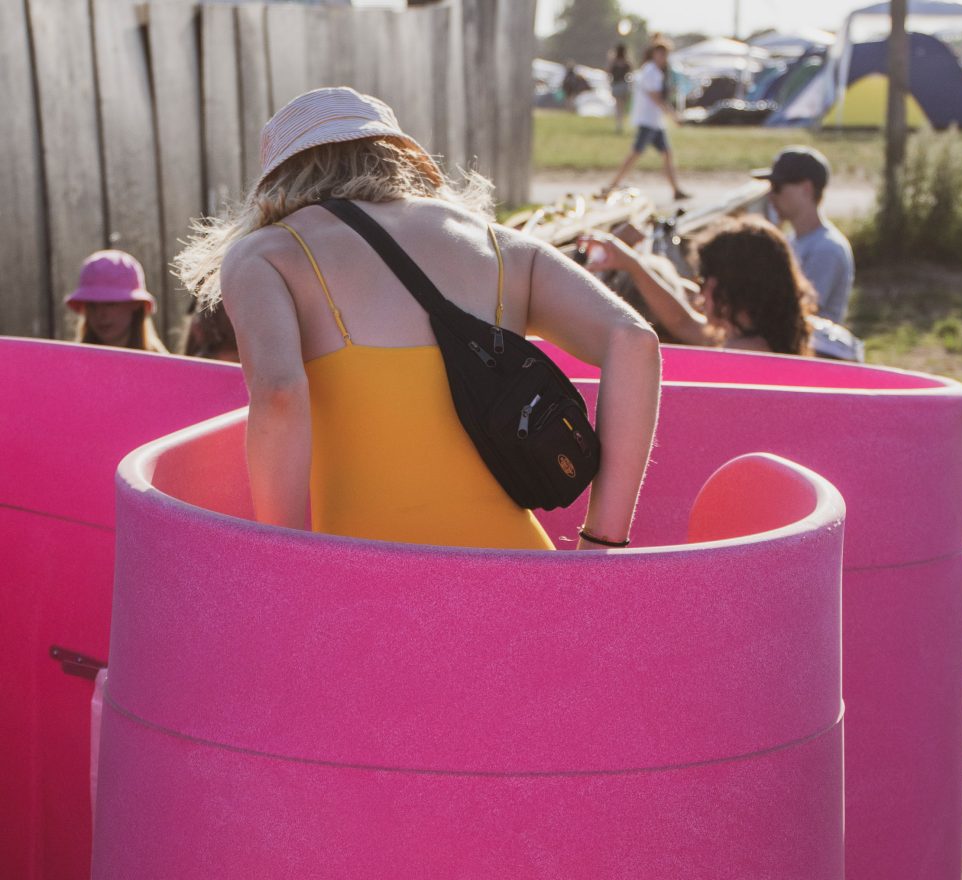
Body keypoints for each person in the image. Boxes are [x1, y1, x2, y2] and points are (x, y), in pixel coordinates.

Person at [174, 87, 660, 551]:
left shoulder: (267, 254)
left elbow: (279, 396)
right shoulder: (499, 245)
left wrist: (285, 562)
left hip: (367, 580)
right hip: (520, 571)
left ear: (278, 179)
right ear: (404, 159)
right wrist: (601, 541)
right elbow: (634, 341)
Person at [581, 215, 814, 356]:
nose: (699, 293)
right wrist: (633, 265)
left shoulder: (740, 357)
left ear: (730, 291)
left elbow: (685, 324)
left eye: (703, 281)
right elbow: (682, 322)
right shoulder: (765, 339)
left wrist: (633, 265)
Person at [751, 147, 855, 325]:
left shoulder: (827, 248)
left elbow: (801, 311)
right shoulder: (791, 240)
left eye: (777, 187)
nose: (771, 195)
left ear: (806, 189)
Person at [605, 41, 689, 201]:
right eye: (661, 54)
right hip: (648, 120)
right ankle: (613, 184)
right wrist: (673, 116)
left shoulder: (656, 71)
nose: (664, 57)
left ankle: (676, 190)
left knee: (667, 154)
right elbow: (656, 97)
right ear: (653, 54)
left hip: (655, 122)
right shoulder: (651, 72)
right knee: (636, 153)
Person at [65, 249, 167, 352]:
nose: (100, 314)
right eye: (92, 305)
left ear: (136, 304)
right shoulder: (73, 363)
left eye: (110, 304)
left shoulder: (162, 365)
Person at [607, 44, 633, 133]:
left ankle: (619, 124)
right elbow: (631, 72)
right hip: (624, 85)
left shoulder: (613, 61)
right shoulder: (627, 61)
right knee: (622, 106)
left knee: (618, 106)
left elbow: (608, 72)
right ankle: (621, 123)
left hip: (616, 85)